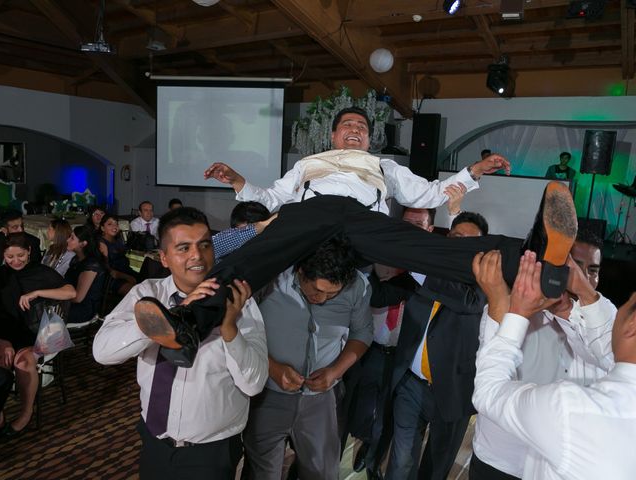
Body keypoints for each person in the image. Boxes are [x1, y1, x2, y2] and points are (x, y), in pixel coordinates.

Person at [135, 108, 577, 367]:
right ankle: (190, 324)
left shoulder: (384, 166)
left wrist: (472, 172)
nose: (354, 130)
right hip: (311, 215)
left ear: (369, 138)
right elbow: (272, 198)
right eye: (347, 125)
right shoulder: (310, 163)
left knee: (430, 251)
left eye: (361, 129)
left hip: (363, 221)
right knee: (253, 259)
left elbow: (430, 194)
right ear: (333, 136)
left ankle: (534, 259)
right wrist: (237, 182)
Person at [93, 207, 268, 479]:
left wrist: (229, 327)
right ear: (164, 257)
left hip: (210, 451)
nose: (197, 255)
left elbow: (254, 384)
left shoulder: (238, 301)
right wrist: (166, 319)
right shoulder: (147, 293)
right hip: (154, 441)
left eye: (205, 245)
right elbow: (102, 352)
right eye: (183, 248)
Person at [472, 251, 636, 480]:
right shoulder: (507, 312)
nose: (582, 277)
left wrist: (515, 310)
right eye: (575, 268)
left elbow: (489, 391)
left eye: (593, 271)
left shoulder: (570, 406)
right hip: (501, 459)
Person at [243, 235, 372, 479]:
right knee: (262, 471)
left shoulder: (359, 286)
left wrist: (335, 372)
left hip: (322, 400)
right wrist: (272, 368)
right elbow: (240, 329)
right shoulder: (271, 276)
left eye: (332, 295)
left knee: (321, 471)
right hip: (267, 394)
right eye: (316, 290)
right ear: (300, 270)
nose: (321, 299)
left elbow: (363, 332)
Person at [371, 212, 488, 480]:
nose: (461, 246)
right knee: (400, 462)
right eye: (457, 238)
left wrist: (420, 268)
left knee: (435, 469)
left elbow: (468, 302)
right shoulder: (424, 270)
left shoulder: (484, 284)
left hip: (453, 392)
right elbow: (382, 294)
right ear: (448, 238)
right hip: (410, 385)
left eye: (469, 242)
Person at [0, 233, 76, 436]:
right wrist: (2, 340)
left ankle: (25, 413)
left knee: (23, 362)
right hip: (7, 334)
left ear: (29, 251)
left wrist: (38, 293)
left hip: (40, 332)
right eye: (10, 257)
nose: (15, 261)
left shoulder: (41, 272)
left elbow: (71, 292)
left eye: (20, 255)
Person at [65, 226, 107, 324]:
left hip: (83, 309)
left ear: (83, 244)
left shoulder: (91, 265)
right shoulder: (76, 259)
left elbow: (78, 298)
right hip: (70, 302)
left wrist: (56, 296)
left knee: (42, 313)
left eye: (72, 238)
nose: (68, 240)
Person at [98, 213, 137, 295]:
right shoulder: (102, 244)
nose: (114, 226)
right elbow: (107, 270)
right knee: (137, 292)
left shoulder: (117, 240)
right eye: (110, 224)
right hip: (112, 279)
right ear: (102, 228)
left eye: (116, 224)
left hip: (126, 272)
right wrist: (127, 277)